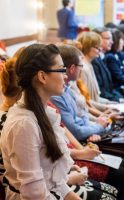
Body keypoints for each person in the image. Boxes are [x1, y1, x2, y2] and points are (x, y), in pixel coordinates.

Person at [0, 44, 80, 199]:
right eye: (61, 69)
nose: (65, 75)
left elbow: (52, 179)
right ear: (42, 77)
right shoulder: (23, 125)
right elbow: (35, 194)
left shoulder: (42, 112)